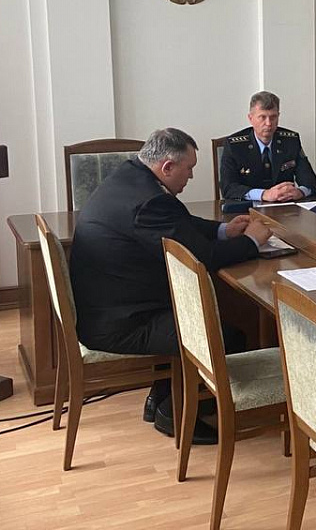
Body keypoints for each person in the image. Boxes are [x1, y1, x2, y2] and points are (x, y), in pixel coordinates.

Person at [69, 128, 271, 442]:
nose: (190, 176)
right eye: (188, 169)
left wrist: (223, 231)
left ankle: (161, 399)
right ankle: (175, 414)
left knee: (193, 315)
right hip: (123, 323)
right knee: (227, 336)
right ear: (167, 167)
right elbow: (202, 258)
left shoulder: (130, 177)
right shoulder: (150, 201)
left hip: (112, 308)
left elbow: (179, 223)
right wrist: (251, 242)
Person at [219, 91, 316, 201]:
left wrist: (300, 192)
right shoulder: (234, 146)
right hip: (247, 207)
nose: (268, 123)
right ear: (250, 118)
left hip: (285, 206)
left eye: (273, 117)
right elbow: (228, 188)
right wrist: (264, 194)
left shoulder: (291, 141)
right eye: (262, 117)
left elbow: (311, 182)